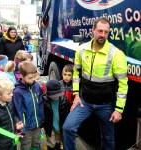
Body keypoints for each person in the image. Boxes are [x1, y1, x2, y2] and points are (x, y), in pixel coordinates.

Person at [63, 17, 128, 150]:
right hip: (84, 102)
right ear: (93, 30)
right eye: (100, 31)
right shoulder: (82, 50)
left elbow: (123, 84)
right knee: (68, 128)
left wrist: (118, 110)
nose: (102, 35)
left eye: (106, 32)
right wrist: (76, 94)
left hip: (106, 105)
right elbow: (76, 73)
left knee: (108, 139)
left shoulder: (116, 54)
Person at [12, 61, 44, 150]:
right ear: (21, 76)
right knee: (26, 145)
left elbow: (40, 104)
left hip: (37, 124)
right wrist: (20, 128)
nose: (33, 80)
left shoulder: (37, 86)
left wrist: (42, 120)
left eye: (34, 77)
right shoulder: (17, 92)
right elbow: (17, 111)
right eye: (30, 78)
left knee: (37, 143)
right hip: (26, 127)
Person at [0, 76, 23, 150]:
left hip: (12, 140)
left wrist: (17, 124)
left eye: (12, 92)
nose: (12, 94)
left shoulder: (9, 103)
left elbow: (12, 116)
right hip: (2, 146)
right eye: (9, 93)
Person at [44, 80, 70, 150]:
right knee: (51, 143)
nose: (56, 97)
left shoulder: (64, 100)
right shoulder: (44, 101)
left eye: (57, 94)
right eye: (53, 95)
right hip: (50, 127)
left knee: (58, 141)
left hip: (60, 127)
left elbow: (68, 114)